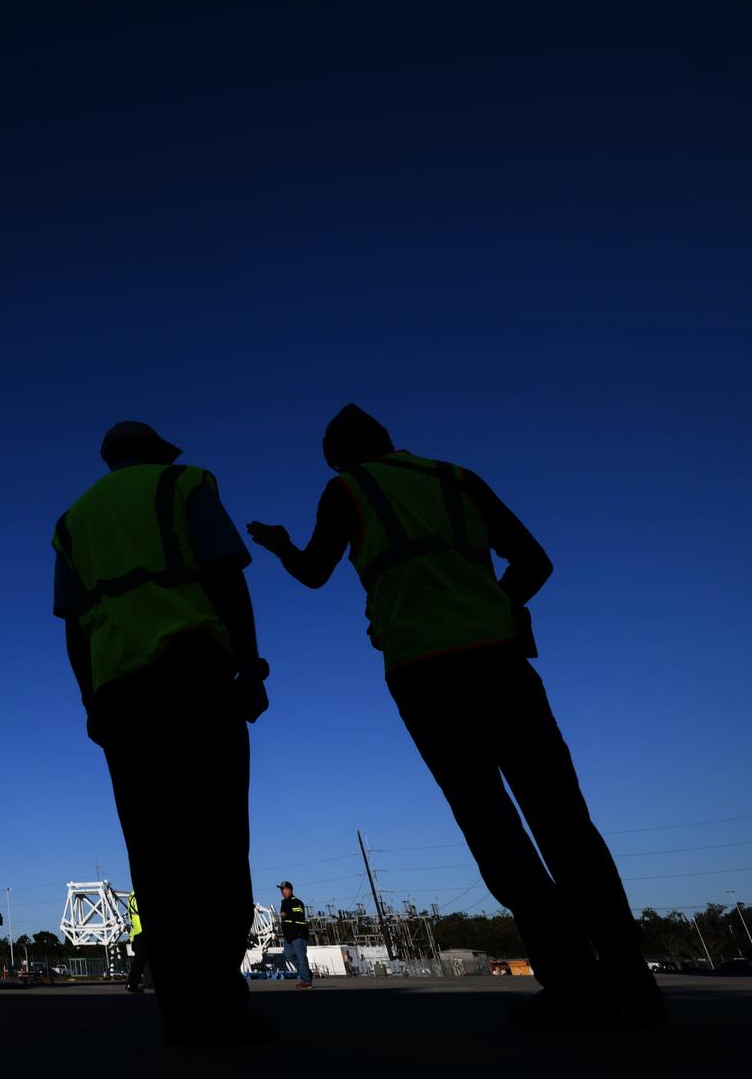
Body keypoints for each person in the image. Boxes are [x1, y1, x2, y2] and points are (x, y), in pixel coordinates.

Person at [245, 404, 664, 1029]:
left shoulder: (346, 489)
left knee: (492, 826)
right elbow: (535, 560)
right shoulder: (456, 478)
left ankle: (574, 984)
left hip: (425, 673)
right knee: (565, 820)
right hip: (502, 663)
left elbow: (313, 573)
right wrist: (494, 604)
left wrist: (280, 546)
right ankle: (634, 983)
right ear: (391, 440)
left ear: (336, 457)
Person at [54, 421, 272, 1046]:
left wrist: (90, 703)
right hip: (195, 676)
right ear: (153, 452)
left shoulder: (73, 521)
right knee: (219, 839)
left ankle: (181, 1012)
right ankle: (224, 1006)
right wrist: (250, 665)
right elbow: (227, 575)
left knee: (153, 851)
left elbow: (73, 627)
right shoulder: (185, 484)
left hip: (121, 694)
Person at [278, 882, 311, 988]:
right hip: (288, 935)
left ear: (290, 890)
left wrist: (287, 914)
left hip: (298, 934)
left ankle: (306, 981)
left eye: (285, 889)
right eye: (282, 889)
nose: (283, 891)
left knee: (301, 957)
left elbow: (298, 915)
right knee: (289, 955)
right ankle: (306, 973)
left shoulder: (296, 902)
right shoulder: (284, 902)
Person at [124, 890, 147, 993]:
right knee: (139, 961)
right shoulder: (136, 897)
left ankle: (133, 983)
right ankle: (132, 984)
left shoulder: (131, 896)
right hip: (141, 933)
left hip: (137, 934)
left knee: (140, 961)